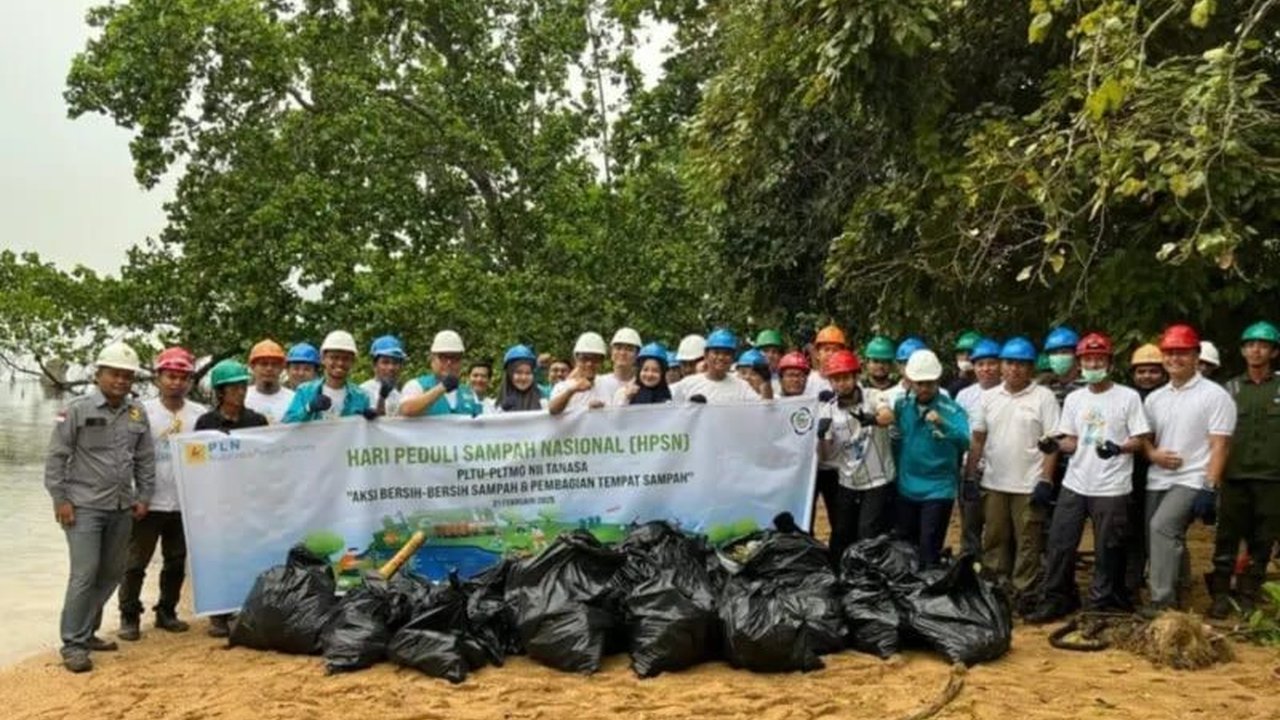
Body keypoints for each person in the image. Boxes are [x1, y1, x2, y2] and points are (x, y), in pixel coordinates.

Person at [1025, 333, 1152, 623]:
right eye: (1087, 359)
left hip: (1112, 486)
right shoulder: (1074, 398)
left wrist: (1119, 448)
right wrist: (1054, 445)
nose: (1093, 363)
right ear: (1080, 363)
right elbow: (1072, 440)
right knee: (1060, 541)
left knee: (1108, 547)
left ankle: (1101, 602)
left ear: (1109, 362)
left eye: (1099, 359)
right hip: (1076, 481)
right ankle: (1057, 597)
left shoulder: (1127, 397)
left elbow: (1139, 438)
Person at [44, 342, 155, 673]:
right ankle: (73, 644)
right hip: (83, 508)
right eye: (114, 374)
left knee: (111, 573)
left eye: (127, 375)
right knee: (84, 573)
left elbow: (145, 458)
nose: (121, 380)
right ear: (99, 375)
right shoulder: (76, 409)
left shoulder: (137, 412)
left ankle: (87, 631)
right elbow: (56, 457)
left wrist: (144, 496)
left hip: (122, 506)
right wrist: (60, 499)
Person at [1142, 323, 1235, 617]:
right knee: (1163, 536)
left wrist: (1210, 486)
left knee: (1163, 528)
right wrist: (1153, 454)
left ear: (1196, 356)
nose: (1174, 359)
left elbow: (1220, 445)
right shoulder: (1156, 397)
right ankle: (1180, 590)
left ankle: (1162, 602)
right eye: (1169, 353)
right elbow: (1143, 439)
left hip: (1193, 477)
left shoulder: (1214, 395)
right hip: (1158, 478)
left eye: (1182, 353)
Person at [118, 347, 206, 642]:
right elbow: (125, 455)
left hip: (186, 501)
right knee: (134, 561)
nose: (176, 383)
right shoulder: (139, 410)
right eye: (170, 376)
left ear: (190, 381)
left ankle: (166, 611)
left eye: (182, 377)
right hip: (147, 500)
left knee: (176, 559)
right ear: (158, 378)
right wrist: (131, 495)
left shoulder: (200, 415)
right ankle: (129, 615)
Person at [966, 336, 1060, 606]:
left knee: (1028, 541)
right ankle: (996, 588)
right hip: (994, 481)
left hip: (1029, 484)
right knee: (994, 538)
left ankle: (1024, 592)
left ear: (1031, 368)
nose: (1015, 369)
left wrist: (1045, 480)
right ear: (1001, 365)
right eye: (1009, 362)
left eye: (1022, 364)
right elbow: (978, 438)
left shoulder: (1044, 398)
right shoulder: (988, 397)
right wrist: (971, 475)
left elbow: (1052, 443)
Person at [1208, 321, 1280, 618]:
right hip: (1235, 476)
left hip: (1273, 478)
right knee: (1227, 536)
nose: (1256, 350)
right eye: (1251, 344)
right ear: (1242, 350)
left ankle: (1250, 594)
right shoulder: (1229, 389)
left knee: (1263, 539)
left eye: (1263, 345)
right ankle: (1222, 594)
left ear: (1274, 351)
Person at [194, 360, 268, 637]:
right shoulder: (206, 423)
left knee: (249, 553)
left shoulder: (257, 421)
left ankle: (246, 608)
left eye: (242, 386)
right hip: (218, 501)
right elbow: (197, 462)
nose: (241, 391)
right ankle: (218, 614)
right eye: (234, 387)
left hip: (249, 498)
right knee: (219, 554)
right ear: (220, 392)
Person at [892, 349, 970, 568]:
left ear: (937, 381)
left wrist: (943, 424)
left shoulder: (951, 409)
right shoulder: (902, 405)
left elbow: (966, 442)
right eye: (919, 383)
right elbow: (896, 438)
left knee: (928, 548)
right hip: (907, 486)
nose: (924, 388)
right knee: (906, 549)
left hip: (938, 488)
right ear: (910, 381)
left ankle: (929, 595)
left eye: (929, 383)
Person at [817, 349, 896, 562]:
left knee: (867, 533)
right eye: (835, 379)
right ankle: (838, 575)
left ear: (855, 376)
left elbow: (888, 416)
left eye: (845, 377)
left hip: (876, 479)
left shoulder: (872, 396)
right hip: (848, 479)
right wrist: (821, 436)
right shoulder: (829, 410)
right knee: (841, 533)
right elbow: (824, 456)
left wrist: (873, 419)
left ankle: (867, 580)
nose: (841, 384)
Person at [1123, 342, 1167, 601]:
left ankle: (1171, 583)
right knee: (1132, 530)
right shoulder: (1128, 399)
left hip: (1163, 473)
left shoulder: (1169, 398)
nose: (1147, 376)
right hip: (1131, 473)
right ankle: (1133, 581)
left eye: (1153, 371)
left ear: (1162, 373)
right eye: (1141, 371)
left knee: (1163, 530)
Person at [955, 337, 1002, 559]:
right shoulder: (964, 396)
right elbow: (960, 431)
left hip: (1001, 469)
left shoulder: (1007, 392)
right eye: (981, 364)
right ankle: (969, 567)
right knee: (970, 524)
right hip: (970, 467)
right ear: (973, 367)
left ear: (1001, 364)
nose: (986, 369)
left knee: (998, 525)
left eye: (991, 363)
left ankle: (996, 572)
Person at [283, 331, 375, 422]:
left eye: (346, 358)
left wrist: (372, 420)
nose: (340, 363)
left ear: (353, 362)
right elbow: (286, 425)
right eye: (334, 357)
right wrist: (308, 409)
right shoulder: (305, 392)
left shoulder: (360, 397)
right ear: (323, 359)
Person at [399, 330, 484, 417]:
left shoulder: (469, 393)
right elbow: (406, 410)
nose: (449, 363)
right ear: (432, 360)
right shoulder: (417, 386)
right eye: (443, 357)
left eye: (455, 358)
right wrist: (442, 388)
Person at [671, 329, 760, 404]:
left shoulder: (742, 387)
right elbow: (673, 413)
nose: (721, 357)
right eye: (716, 352)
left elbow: (761, 410)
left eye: (727, 353)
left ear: (733, 358)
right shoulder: (687, 384)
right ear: (706, 355)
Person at [549, 332, 614, 414]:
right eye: (584, 358)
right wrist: (572, 390)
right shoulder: (563, 387)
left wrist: (601, 411)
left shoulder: (607, 384)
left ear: (602, 361)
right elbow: (552, 410)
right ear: (576, 360)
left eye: (595, 359)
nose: (589, 364)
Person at [245, 339, 294, 424]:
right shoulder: (242, 399)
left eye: (274, 364)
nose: (269, 368)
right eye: (263, 364)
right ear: (252, 367)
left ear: (282, 368)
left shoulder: (293, 400)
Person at [360, 335, 407, 417]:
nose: (391, 367)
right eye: (385, 362)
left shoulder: (399, 396)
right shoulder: (363, 392)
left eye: (395, 363)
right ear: (374, 365)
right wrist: (382, 398)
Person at [596, 328, 642, 401]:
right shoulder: (599, 382)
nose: (623, 353)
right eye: (618, 348)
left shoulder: (642, 385)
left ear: (637, 355)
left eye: (629, 349)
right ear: (611, 352)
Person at [496, 345, 546, 412]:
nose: (523, 378)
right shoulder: (496, 406)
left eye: (528, 373)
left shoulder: (544, 401)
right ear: (509, 374)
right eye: (518, 372)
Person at [1043, 326, 1083, 404]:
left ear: (1076, 355)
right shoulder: (1046, 388)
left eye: (1064, 352)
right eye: (1054, 353)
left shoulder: (1089, 387)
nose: (1059, 357)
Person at [888, 337, 928, 406]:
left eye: (917, 362)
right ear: (898, 366)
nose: (913, 367)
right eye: (907, 363)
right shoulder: (888, 397)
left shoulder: (941, 394)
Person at [807, 325, 846, 396]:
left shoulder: (849, 383)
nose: (831, 354)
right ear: (817, 354)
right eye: (826, 349)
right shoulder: (808, 382)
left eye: (835, 350)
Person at [862, 335, 898, 406]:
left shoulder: (897, 389)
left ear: (891, 365)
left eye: (884, 362)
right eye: (875, 361)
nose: (880, 366)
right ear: (867, 363)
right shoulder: (861, 389)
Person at [948, 330, 983, 397]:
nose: (965, 357)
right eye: (961, 353)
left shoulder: (990, 384)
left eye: (970, 353)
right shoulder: (953, 387)